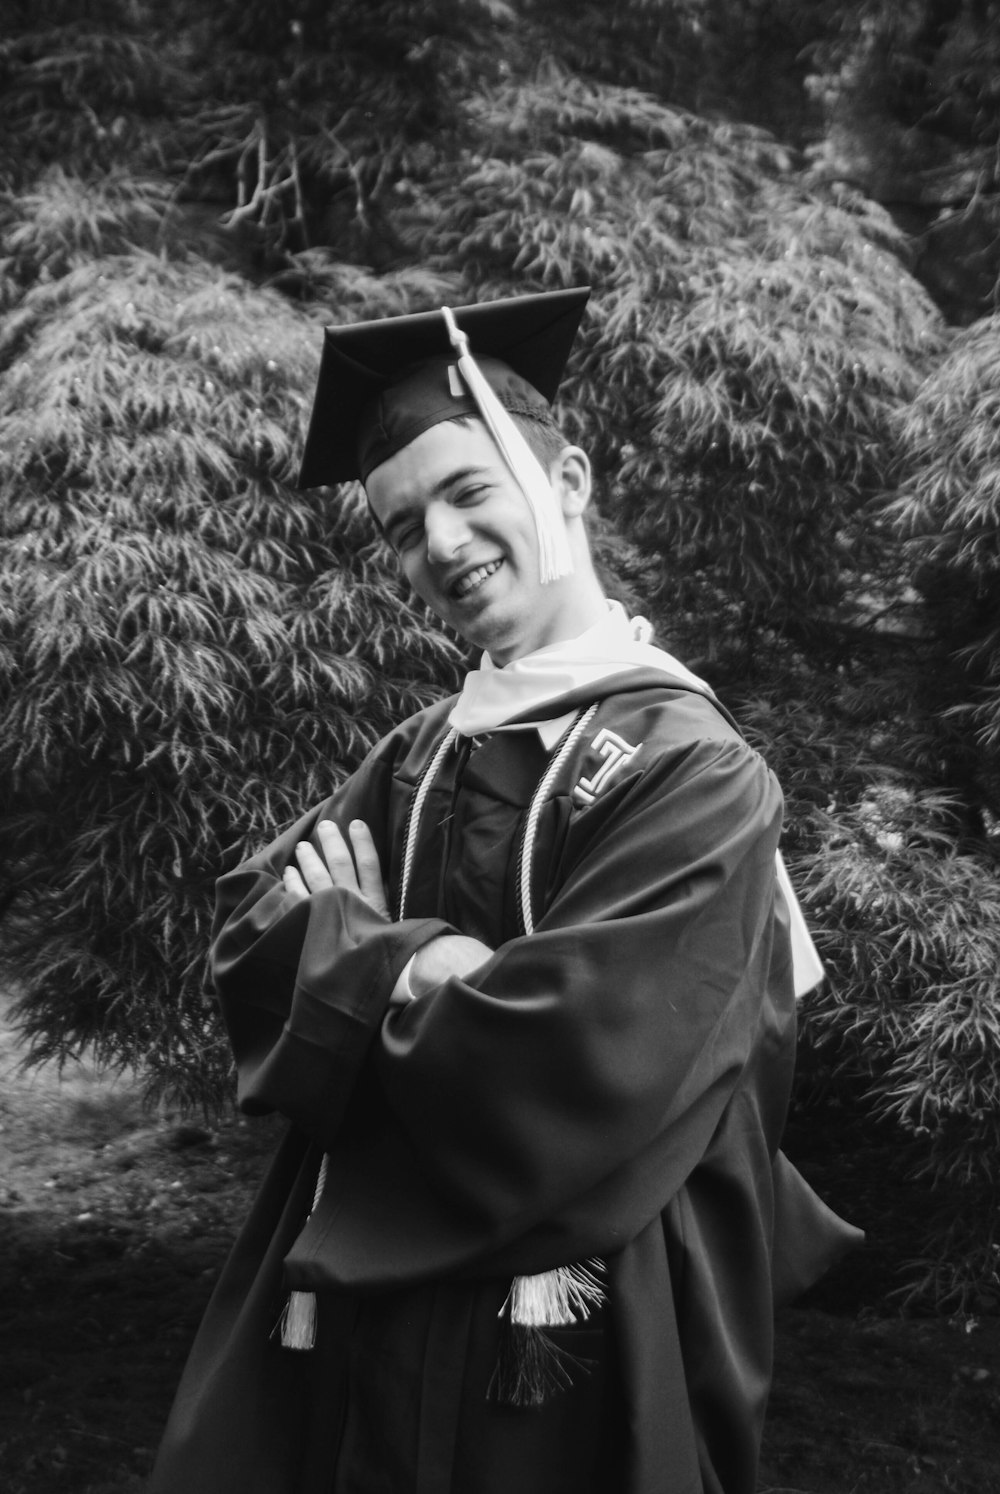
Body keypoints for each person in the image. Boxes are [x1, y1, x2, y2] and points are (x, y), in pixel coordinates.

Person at [148, 287, 859, 1494]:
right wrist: (435, 969)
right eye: (398, 524)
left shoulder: (693, 768)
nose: (439, 543)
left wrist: (376, 952)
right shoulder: (425, 747)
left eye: (469, 491)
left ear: (567, 482)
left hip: (581, 1315)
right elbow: (250, 933)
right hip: (360, 1319)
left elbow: (580, 1055)